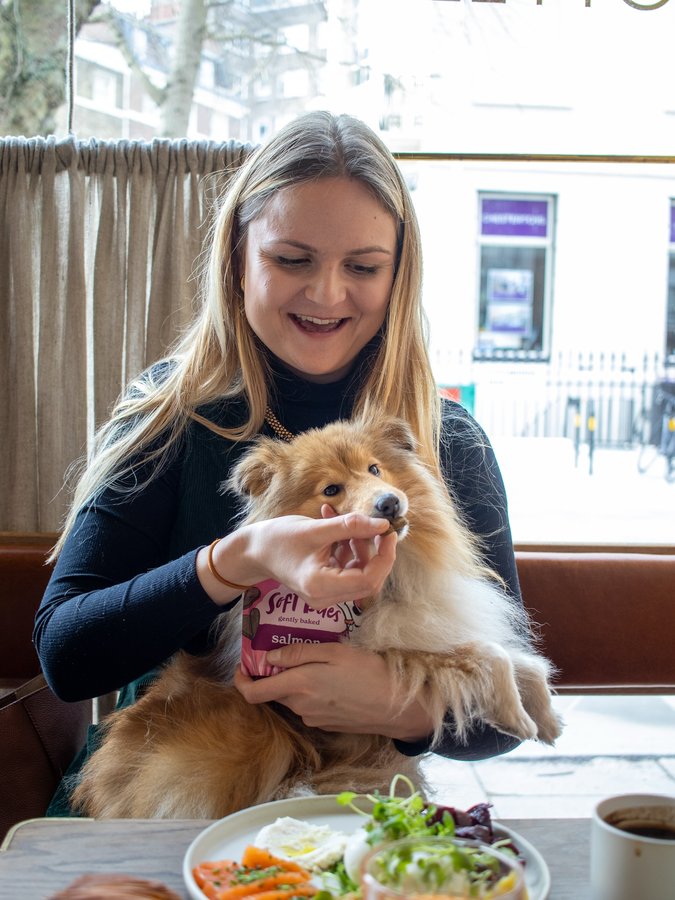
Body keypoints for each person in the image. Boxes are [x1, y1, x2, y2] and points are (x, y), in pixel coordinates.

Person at [35, 111, 524, 815]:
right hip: (167, 792)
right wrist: (241, 557)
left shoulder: (443, 441)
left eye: (362, 266)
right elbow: (67, 653)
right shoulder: (172, 418)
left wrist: (400, 707)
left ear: (399, 275)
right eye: (291, 260)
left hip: (352, 806)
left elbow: (499, 720)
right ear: (238, 260)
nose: (326, 294)